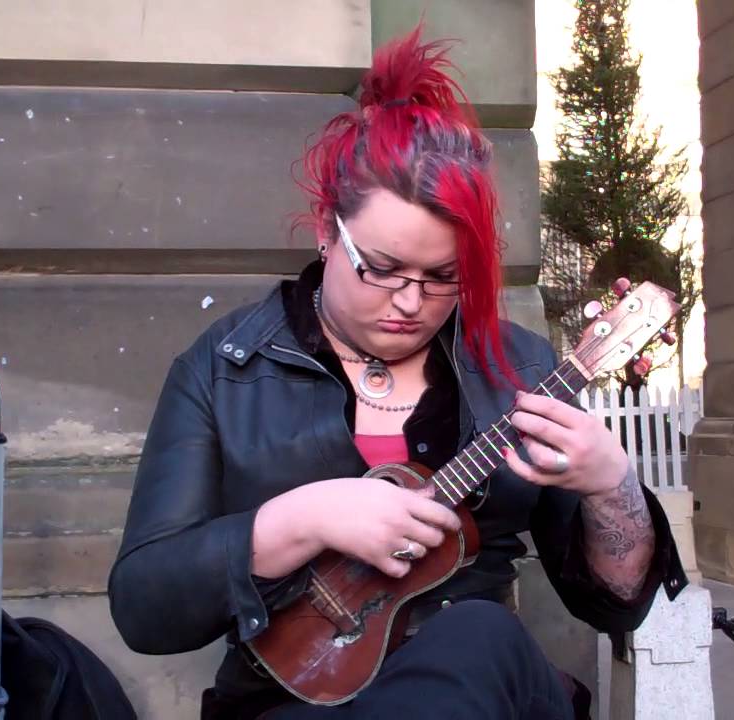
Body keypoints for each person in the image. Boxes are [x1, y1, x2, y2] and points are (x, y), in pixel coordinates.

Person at [108, 27, 688, 720]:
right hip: (288, 696)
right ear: (328, 231)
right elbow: (144, 607)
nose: (411, 303)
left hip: (476, 687)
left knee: (476, 635)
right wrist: (302, 520)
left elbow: (618, 604)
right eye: (380, 269)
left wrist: (611, 486)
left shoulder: (521, 370)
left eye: (444, 278)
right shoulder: (224, 368)